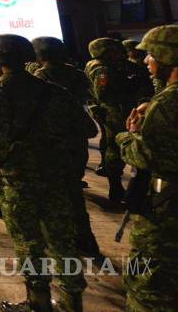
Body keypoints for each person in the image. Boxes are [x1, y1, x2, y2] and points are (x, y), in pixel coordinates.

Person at [0, 34, 85, 312]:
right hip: (55, 176)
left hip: (18, 181)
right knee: (62, 239)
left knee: (28, 241)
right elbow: (86, 129)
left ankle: (37, 301)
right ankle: (72, 301)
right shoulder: (54, 91)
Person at [117, 25, 178, 312]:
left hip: (166, 210)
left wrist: (127, 136)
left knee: (148, 287)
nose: (145, 60)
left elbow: (151, 156)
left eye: (151, 54)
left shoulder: (168, 103)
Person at [31, 36, 102, 258]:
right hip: (76, 139)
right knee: (73, 190)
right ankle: (85, 237)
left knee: (55, 195)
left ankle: (64, 241)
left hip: (52, 142)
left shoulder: (40, 78)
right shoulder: (77, 74)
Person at [87, 37, 153, 205]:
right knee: (114, 148)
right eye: (113, 51)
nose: (119, 53)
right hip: (114, 113)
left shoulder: (119, 66)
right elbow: (104, 95)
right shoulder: (101, 69)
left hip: (126, 111)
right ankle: (115, 185)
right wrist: (129, 88)